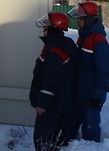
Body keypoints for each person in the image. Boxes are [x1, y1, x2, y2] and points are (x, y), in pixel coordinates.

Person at [29, 12, 77, 150]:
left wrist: (42, 104)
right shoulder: (61, 44)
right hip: (59, 104)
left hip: (52, 107)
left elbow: (51, 81)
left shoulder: (55, 51)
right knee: (52, 141)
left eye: (46, 25)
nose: (43, 28)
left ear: (53, 28)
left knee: (44, 141)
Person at [68, 1, 109, 142]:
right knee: (72, 124)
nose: (78, 22)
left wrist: (97, 96)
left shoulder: (98, 40)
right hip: (80, 92)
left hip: (91, 95)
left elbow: (105, 70)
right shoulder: (82, 38)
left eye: (81, 19)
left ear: (88, 20)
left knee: (90, 129)